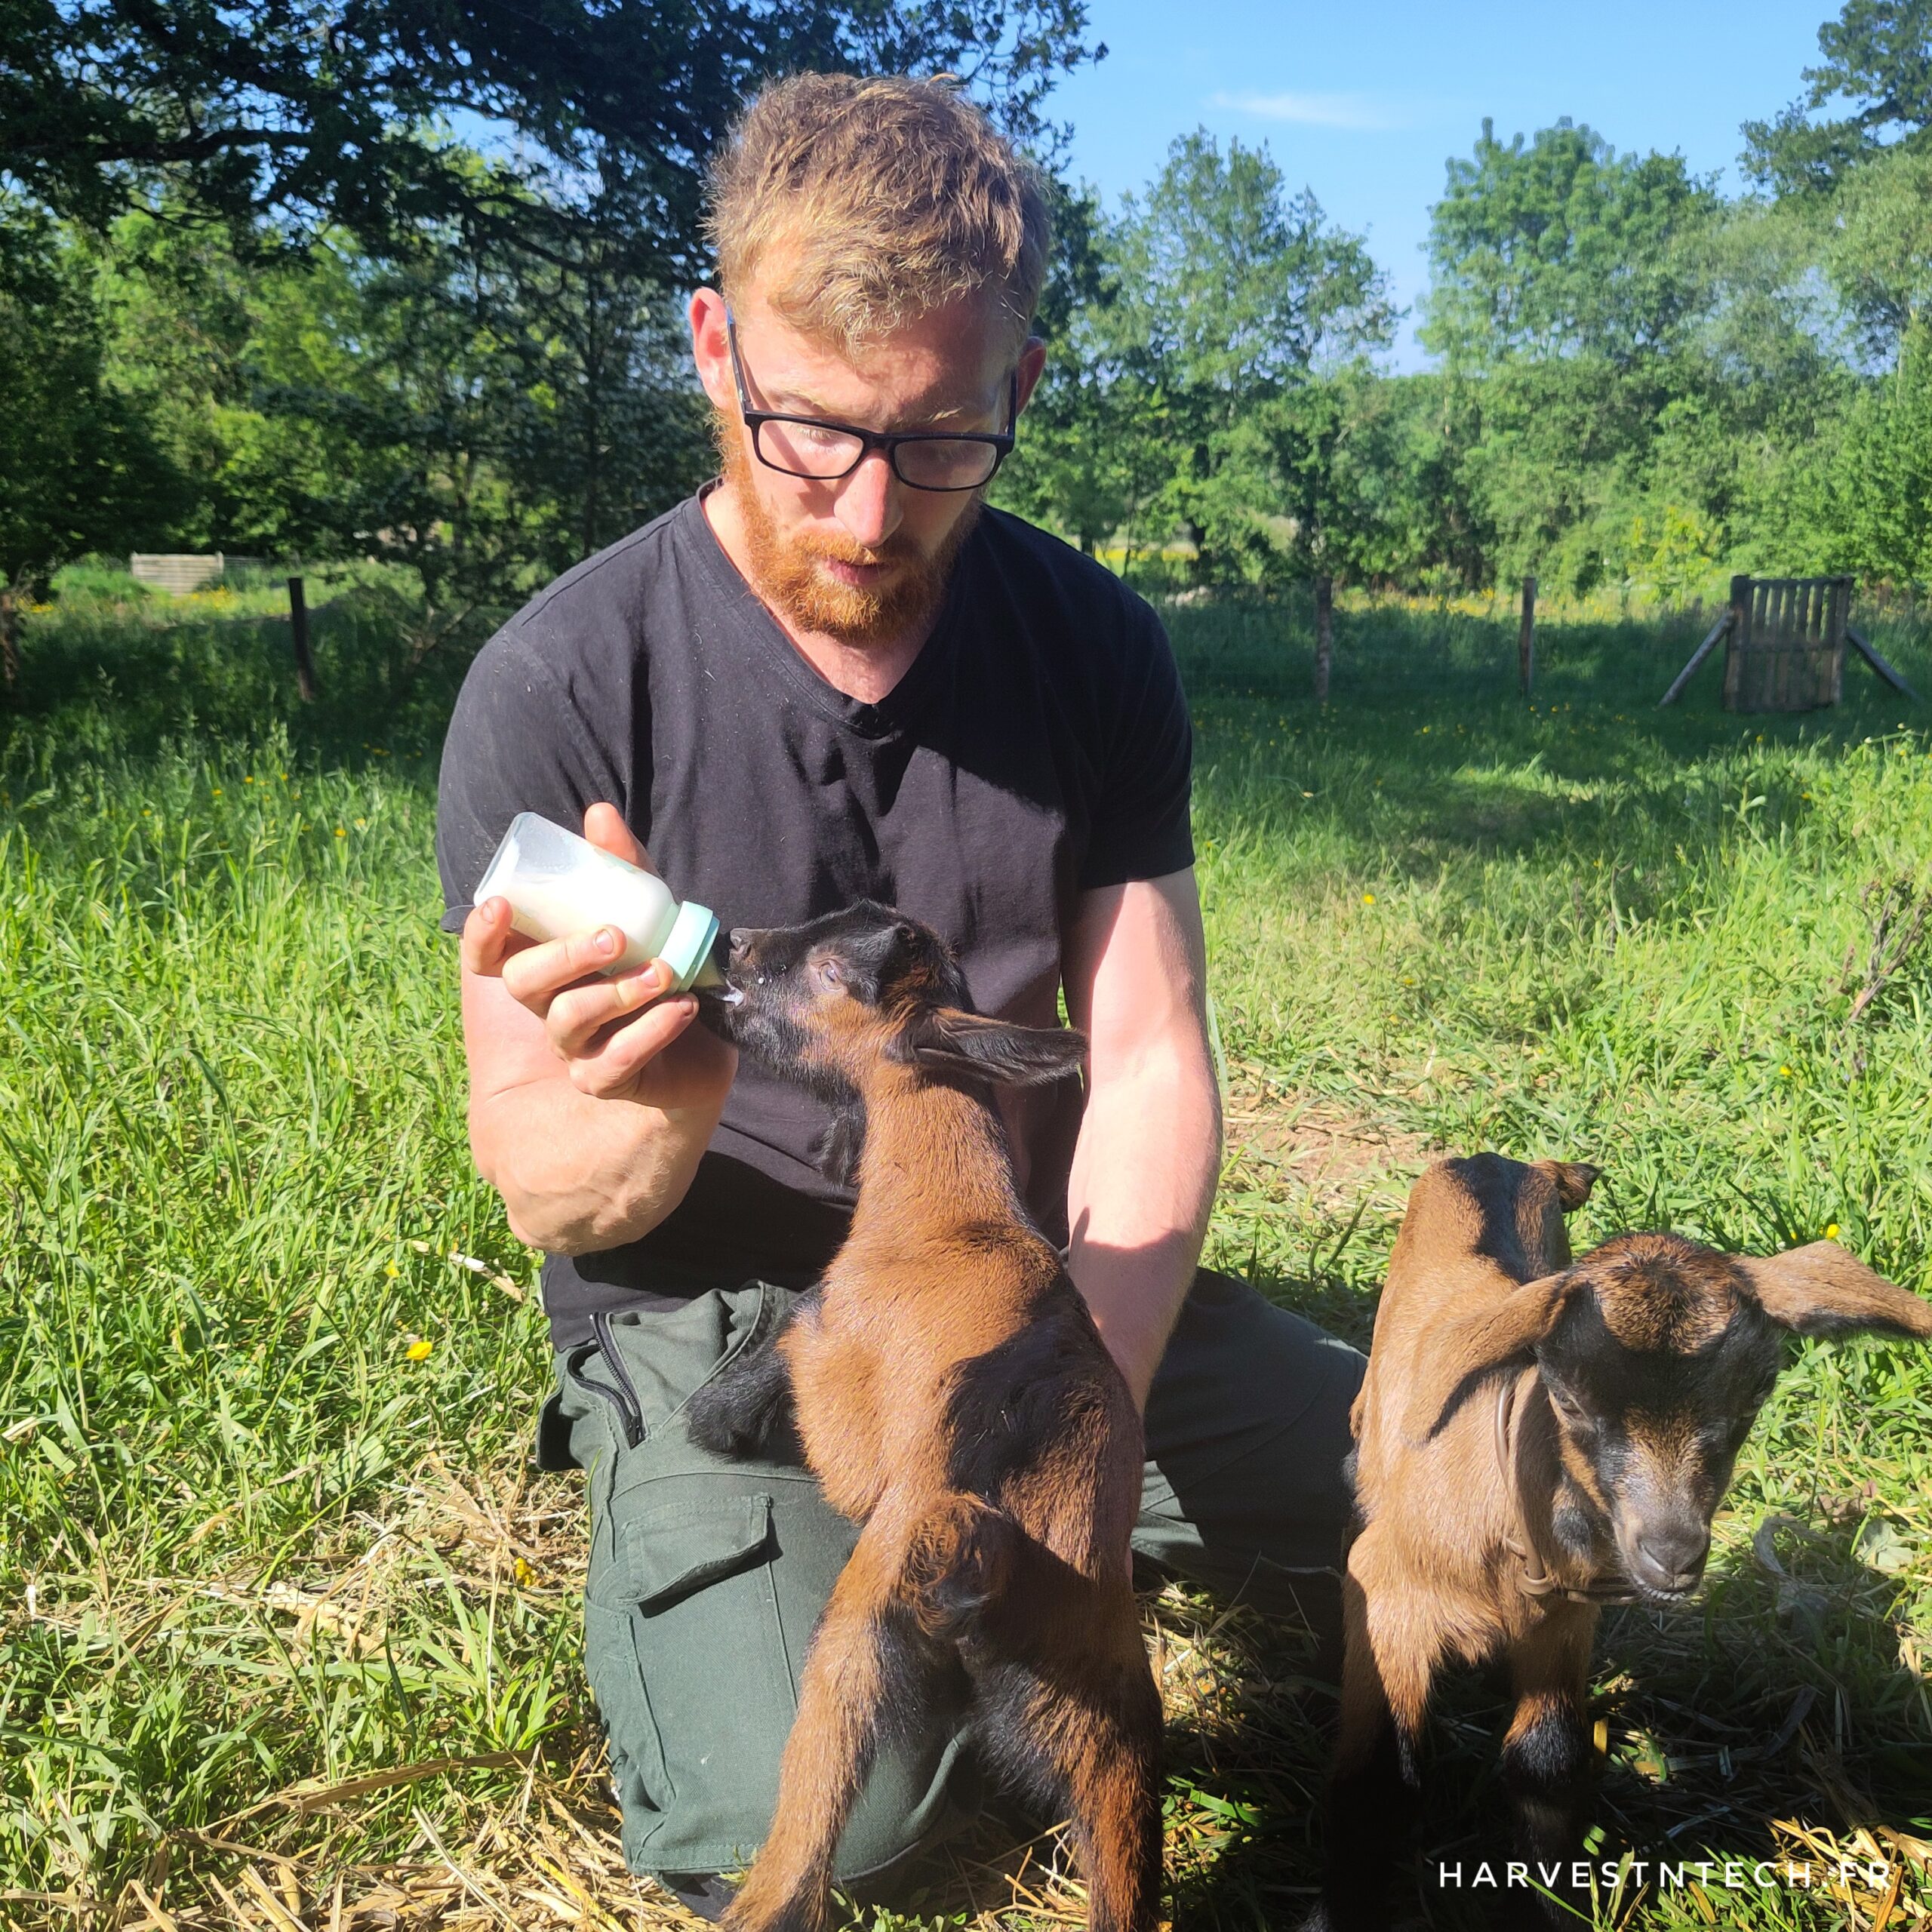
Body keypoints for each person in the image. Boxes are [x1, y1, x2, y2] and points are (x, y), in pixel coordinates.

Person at [435, 71, 1364, 1917]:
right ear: (714, 348)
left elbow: (1152, 1053)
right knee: (844, 1823)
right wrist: (658, 1098)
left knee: (1474, 1495)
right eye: (807, 429)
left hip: (1031, 1298)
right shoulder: (558, 682)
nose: (867, 510)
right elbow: (549, 1187)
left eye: (938, 439)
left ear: (1015, 390)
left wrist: (1087, 1390)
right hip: (741, 1327)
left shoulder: (1090, 644)